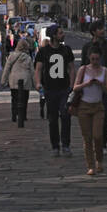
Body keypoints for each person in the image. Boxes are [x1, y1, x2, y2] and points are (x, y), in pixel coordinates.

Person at [34, 26, 75, 156]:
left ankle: (66, 145)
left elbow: (72, 68)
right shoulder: (44, 51)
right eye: (60, 33)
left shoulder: (66, 50)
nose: (63, 34)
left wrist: (72, 86)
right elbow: (38, 69)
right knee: (52, 119)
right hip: (50, 89)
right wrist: (38, 83)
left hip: (64, 89)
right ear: (53, 36)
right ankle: (55, 146)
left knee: (65, 116)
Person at [69, 48, 107, 176]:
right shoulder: (83, 69)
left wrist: (100, 84)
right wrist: (86, 84)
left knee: (98, 136)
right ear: (89, 58)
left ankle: (99, 160)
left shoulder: (105, 70)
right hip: (84, 107)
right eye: (92, 59)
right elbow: (75, 87)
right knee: (87, 138)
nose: (95, 61)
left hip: (98, 106)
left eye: (97, 59)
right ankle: (90, 166)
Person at [80, 24, 107, 148]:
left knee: (105, 116)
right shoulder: (87, 47)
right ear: (93, 32)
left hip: (105, 85)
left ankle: (103, 144)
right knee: (90, 116)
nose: (103, 30)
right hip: (90, 88)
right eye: (100, 28)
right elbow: (82, 66)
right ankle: (91, 142)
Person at [2, 36, 35, 126]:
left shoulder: (11, 56)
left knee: (14, 98)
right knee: (24, 99)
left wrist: (3, 80)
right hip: (25, 80)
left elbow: (7, 68)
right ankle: (23, 115)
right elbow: (32, 71)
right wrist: (36, 83)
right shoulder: (28, 58)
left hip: (14, 80)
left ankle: (14, 115)